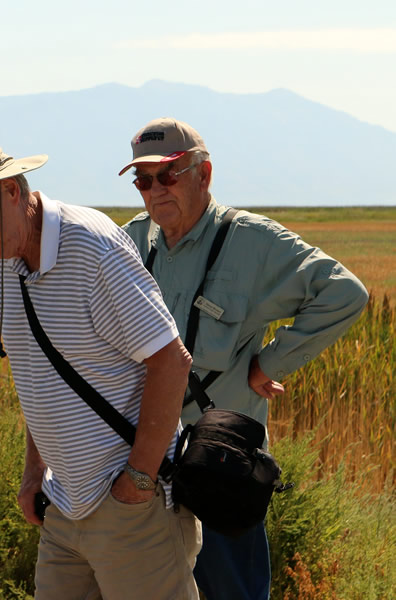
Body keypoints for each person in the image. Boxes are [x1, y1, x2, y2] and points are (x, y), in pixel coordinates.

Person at [0, 132, 202, 599]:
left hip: (129, 503)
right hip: (65, 502)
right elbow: (40, 378)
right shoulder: (2, 261)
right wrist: (33, 474)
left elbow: (171, 360)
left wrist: (138, 482)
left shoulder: (93, 247)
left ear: (10, 190)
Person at [119, 117, 369, 600]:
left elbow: (344, 294)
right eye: (143, 180)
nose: (155, 190)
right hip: (142, 467)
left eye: (168, 174)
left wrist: (269, 365)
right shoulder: (130, 242)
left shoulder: (251, 242)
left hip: (218, 469)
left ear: (203, 174)